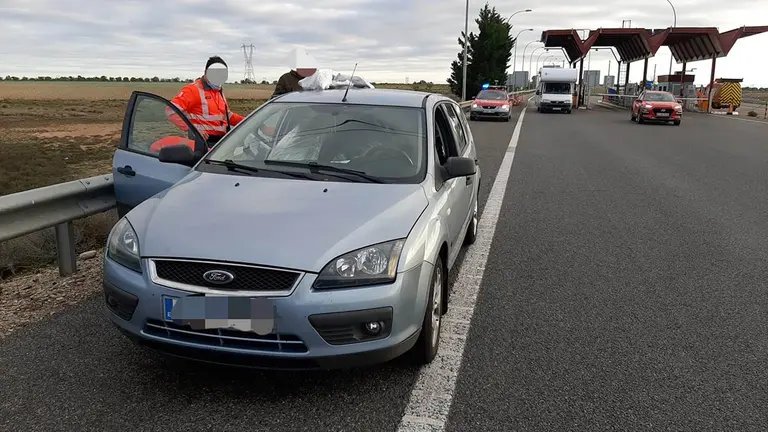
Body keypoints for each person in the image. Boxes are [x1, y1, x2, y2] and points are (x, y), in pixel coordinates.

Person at [164, 56, 245, 150]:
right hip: (203, 144)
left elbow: (227, 115)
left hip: (219, 142)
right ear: (206, 72)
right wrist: (193, 130)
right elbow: (170, 111)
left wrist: (249, 121)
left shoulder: (218, 91)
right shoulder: (193, 90)